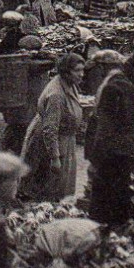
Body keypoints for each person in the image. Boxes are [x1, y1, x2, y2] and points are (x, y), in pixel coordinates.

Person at [86, 50, 134, 227]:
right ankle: (120, 230)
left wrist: (95, 157)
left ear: (104, 68)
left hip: (111, 151)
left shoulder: (109, 88)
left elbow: (105, 127)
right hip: (128, 148)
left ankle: (102, 232)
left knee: (102, 196)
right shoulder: (131, 87)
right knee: (121, 191)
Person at [19, 52, 84, 200]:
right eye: (77, 70)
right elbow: (50, 129)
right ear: (66, 71)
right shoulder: (56, 95)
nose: (82, 74)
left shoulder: (69, 84)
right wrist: (55, 157)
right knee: (48, 186)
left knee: (60, 185)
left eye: (82, 70)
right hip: (49, 142)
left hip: (64, 138)